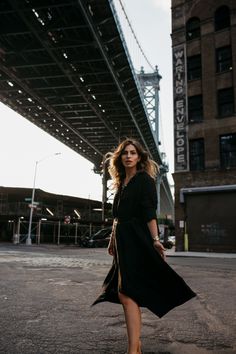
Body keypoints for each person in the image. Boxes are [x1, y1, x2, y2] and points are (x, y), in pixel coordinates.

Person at [93, 138, 196, 354]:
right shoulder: (122, 182)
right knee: (125, 291)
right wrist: (112, 239)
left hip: (136, 238)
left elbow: (149, 213)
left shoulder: (145, 181)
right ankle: (135, 347)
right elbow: (117, 217)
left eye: (133, 153)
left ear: (139, 157)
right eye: (125, 153)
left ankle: (133, 350)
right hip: (122, 240)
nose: (128, 156)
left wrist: (156, 240)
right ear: (120, 158)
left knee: (126, 291)